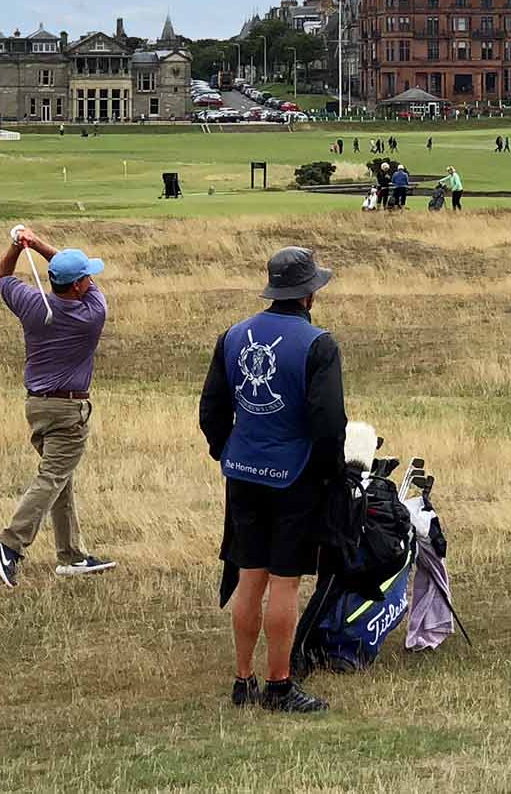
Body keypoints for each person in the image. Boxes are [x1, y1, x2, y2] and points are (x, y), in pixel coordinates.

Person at [198, 247, 346, 714]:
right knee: (284, 584)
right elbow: (329, 423)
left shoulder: (232, 336)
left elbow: (212, 411)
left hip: (242, 473)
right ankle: (279, 686)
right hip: (295, 477)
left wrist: (230, 452)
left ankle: (243, 681)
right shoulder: (319, 345)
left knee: (249, 579)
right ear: (309, 295)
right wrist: (327, 476)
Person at [0, 224, 116, 585]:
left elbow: (0, 276)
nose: (91, 281)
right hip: (68, 410)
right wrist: (38, 243)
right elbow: (64, 268)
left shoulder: (32, 303)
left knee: (61, 479)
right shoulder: (92, 313)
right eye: (86, 277)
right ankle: (9, 544)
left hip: (37, 407)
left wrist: (17, 246)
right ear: (76, 286)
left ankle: (70, 555)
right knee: (52, 477)